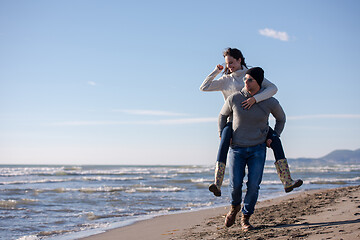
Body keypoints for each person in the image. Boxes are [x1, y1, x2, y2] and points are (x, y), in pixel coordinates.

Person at [200, 48, 302, 196]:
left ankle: (287, 181)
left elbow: (273, 88)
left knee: (276, 141)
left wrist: (256, 99)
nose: (229, 66)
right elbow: (204, 87)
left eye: (232, 62)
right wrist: (216, 71)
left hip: (256, 121)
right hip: (234, 120)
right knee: (223, 142)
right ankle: (217, 183)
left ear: (239, 59)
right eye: (227, 63)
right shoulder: (226, 80)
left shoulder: (252, 74)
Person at [219, 67, 285, 230]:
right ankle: (234, 207)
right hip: (237, 149)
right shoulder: (235, 98)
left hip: (258, 149)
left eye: (250, 80)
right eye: (245, 79)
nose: (246, 82)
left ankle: (245, 218)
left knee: (254, 185)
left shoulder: (269, 101)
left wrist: (273, 136)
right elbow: (222, 115)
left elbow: (281, 119)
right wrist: (223, 135)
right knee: (235, 185)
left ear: (259, 82)